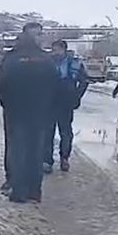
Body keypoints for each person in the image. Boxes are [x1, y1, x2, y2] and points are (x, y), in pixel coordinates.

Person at [0, 23, 58, 203]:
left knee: (17, 150)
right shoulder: (47, 60)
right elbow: (56, 87)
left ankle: (18, 190)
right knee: (35, 151)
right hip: (40, 114)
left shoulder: (12, 59)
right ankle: (34, 191)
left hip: (15, 112)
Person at [0, 22, 45, 191]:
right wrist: (4, 99)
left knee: (34, 146)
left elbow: (55, 83)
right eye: (33, 34)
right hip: (14, 109)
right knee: (14, 146)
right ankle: (13, 179)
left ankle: (30, 186)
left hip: (37, 111)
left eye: (38, 34)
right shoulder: (12, 57)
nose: (35, 38)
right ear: (25, 35)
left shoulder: (45, 58)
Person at [44, 40, 88, 173]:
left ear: (64, 50)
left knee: (66, 132)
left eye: (57, 50)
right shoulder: (47, 62)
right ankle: (47, 160)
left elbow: (84, 81)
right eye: (53, 50)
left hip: (66, 103)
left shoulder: (74, 64)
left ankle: (64, 158)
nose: (55, 53)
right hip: (49, 102)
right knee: (47, 132)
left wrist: (77, 96)